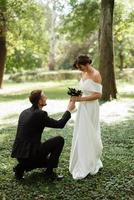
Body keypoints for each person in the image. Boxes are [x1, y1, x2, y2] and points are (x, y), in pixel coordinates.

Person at [11, 89, 75, 180]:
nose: (46, 97)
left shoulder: (24, 112)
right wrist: (69, 110)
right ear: (40, 101)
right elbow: (60, 124)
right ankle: (49, 173)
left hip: (20, 155)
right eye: (44, 96)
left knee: (46, 161)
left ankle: (20, 167)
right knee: (59, 140)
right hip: (30, 156)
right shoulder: (40, 114)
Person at [69, 55, 103, 179]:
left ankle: (91, 160)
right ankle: (81, 160)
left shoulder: (96, 74)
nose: (80, 70)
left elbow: (98, 95)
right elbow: (82, 89)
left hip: (92, 108)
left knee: (90, 132)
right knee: (81, 132)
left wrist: (81, 99)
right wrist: (73, 98)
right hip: (83, 108)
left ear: (86, 64)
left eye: (80, 67)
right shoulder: (83, 74)